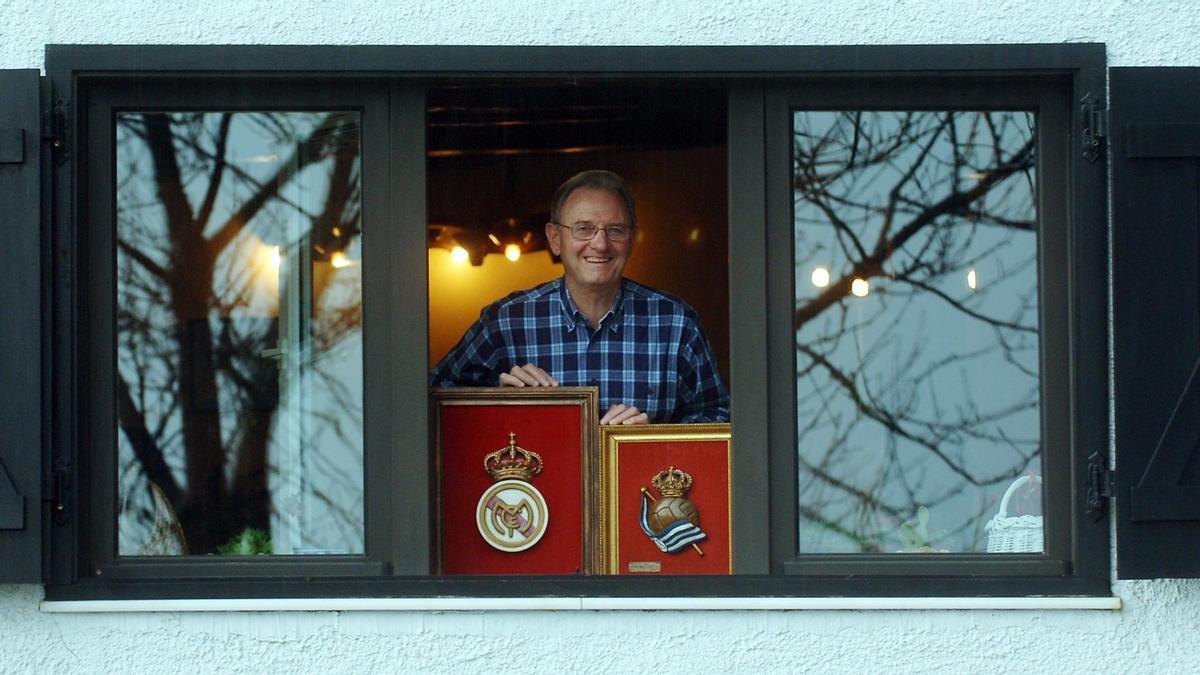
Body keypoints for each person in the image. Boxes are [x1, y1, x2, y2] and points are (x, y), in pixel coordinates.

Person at [431, 170, 729, 424]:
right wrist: (497, 397)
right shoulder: (507, 321)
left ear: (631, 239)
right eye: (583, 229)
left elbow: (720, 416)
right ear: (555, 239)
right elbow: (429, 399)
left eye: (615, 230)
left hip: (641, 490)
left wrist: (652, 438)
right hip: (534, 493)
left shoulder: (676, 323)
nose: (600, 244)